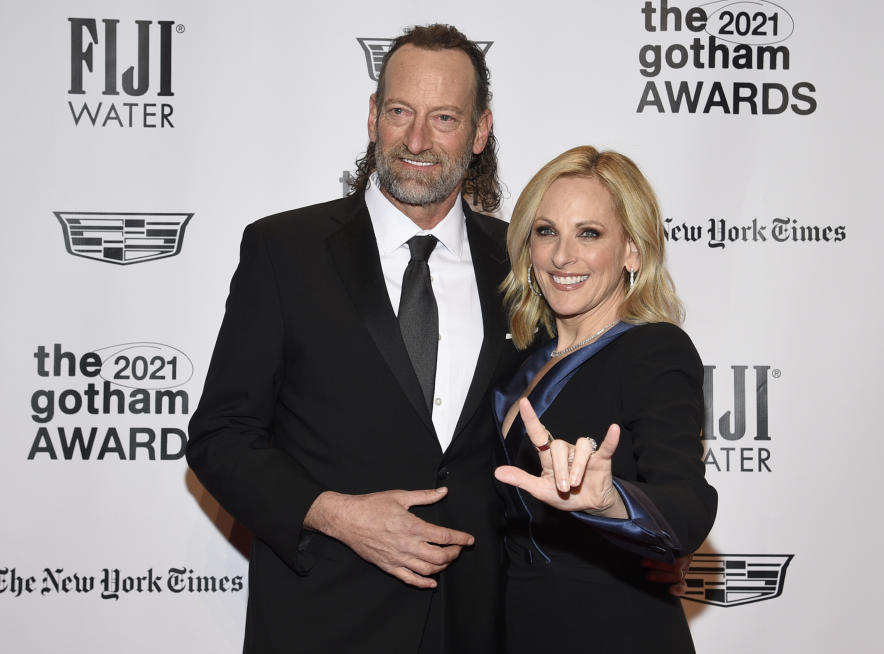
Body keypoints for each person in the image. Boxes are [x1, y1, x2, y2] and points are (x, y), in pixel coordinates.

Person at [187, 24, 520, 654]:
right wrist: (337, 514)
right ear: (373, 115)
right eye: (400, 111)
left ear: (479, 132)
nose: (417, 140)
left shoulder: (520, 263)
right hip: (326, 621)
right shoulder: (284, 252)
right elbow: (220, 437)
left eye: (444, 117)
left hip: (479, 623)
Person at [493, 146, 718, 653]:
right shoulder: (521, 360)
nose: (561, 255)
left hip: (614, 629)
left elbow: (686, 506)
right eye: (546, 231)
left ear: (633, 251)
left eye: (588, 234)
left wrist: (613, 501)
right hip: (519, 627)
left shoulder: (653, 350)